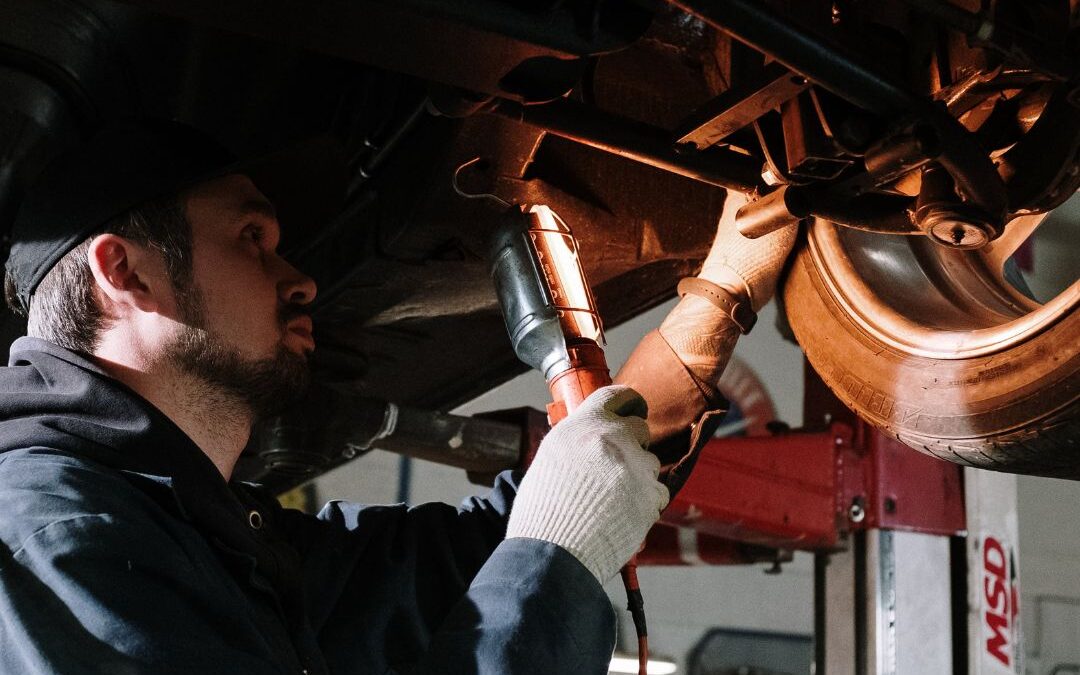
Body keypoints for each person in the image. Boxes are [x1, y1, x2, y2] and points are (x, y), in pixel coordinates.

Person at [0, 120, 795, 674]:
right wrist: (557, 559)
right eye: (251, 239)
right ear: (125, 271)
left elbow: (480, 555)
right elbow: (539, 547)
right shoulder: (54, 542)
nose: (300, 277)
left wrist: (716, 302)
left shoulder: (205, 540)